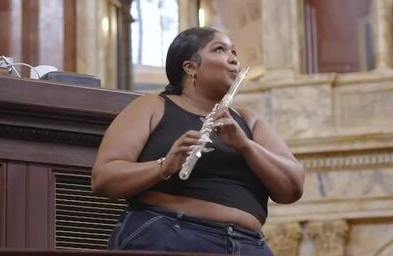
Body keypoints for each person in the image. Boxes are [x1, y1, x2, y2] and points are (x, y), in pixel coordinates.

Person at [91, 27, 304, 255]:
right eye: (220, 49)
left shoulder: (248, 120)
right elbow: (103, 179)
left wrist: (245, 146)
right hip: (170, 234)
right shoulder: (153, 106)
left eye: (234, 52)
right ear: (190, 67)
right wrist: (163, 166)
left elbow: (292, 187)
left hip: (249, 245)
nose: (233, 59)